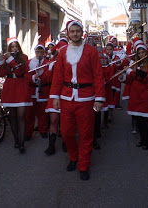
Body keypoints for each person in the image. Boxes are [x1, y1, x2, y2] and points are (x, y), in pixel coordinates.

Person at [50, 20, 106, 181]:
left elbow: (98, 76)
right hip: (67, 97)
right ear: (68, 33)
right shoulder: (62, 52)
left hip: (86, 98)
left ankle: (83, 165)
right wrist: (54, 96)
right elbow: (58, 76)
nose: (75, 34)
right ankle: (73, 157)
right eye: (72, 31)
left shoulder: (91, 51)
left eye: (78, 31)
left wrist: (99, 99)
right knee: (67, 133)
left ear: (82, 33)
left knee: (86, 134)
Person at [119, 41, 148, 150]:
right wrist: (123, 77)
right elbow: (130, 80)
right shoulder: (135, 64)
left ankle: (146, 141)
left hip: (145, 93)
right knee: (138, 119)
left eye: (142, 52)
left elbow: (145, 78)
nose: (141, 55)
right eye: (139, 53)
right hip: (135, 94)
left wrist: (130, 71)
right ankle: (141, 139)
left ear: (146, 52)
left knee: (145, 120)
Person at [0, 37, 32, 153]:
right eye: (12, 47)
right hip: (10, 88)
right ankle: (16, 140)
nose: (14, 48)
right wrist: (1, 61)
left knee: (21, 116)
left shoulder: (24, 58)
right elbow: (1, 74)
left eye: (16, 46)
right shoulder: (7, 59)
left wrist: (11, 59)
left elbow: (20, 71)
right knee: (12, 117)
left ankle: (22, 144)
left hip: (21, 87)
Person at [26, 44, 50, 141]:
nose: (39, 54)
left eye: (41, 52)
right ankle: (28, 132)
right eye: (37, 52)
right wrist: (33, 78)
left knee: (42, 113)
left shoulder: (47, 63)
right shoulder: (29, 63)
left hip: (42, 91)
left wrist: (41, 75)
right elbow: (25, 77)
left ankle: (43, 130)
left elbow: (49, 78)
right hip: (32, 91)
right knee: (29, 113)